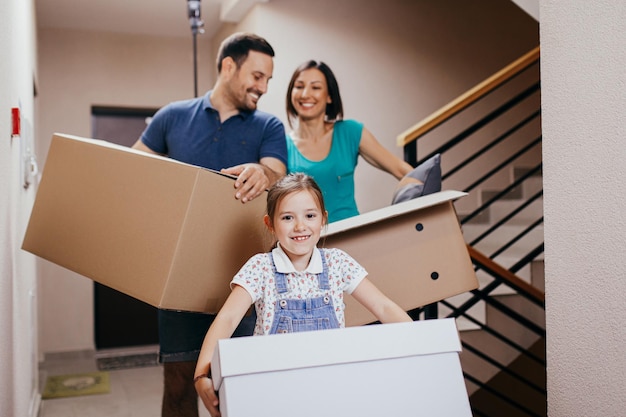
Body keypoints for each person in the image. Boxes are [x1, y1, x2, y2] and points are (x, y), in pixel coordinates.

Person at [131, 32, 287, 417]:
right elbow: (133, 171)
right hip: (180, 281)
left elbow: (276, 171)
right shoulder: (172, 116)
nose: (263, 87)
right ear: (228, 66)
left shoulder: (269, 127)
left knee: (242, 387)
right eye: (257, 75)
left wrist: (262, 172)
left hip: (246, 283)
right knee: (180, 384)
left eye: (268, 79)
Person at [193, 173, 412, 417]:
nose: (300, 226)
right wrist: (201, 374)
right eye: (288, 217)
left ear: (323, 220)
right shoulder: (260, 268)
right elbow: (227, 319)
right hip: (272, 389)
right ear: (270, 224)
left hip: (329, 386)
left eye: (310, 215)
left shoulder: (337, 262)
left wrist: (422, 343)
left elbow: (382, 306)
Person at [285, 60, 418, 223]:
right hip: (306, 243)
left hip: (350, 235)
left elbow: (402, 170)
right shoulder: (281, 145)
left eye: (316, 87)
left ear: (329, 96)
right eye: (299, 86)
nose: (305, 94)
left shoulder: (350, 132)